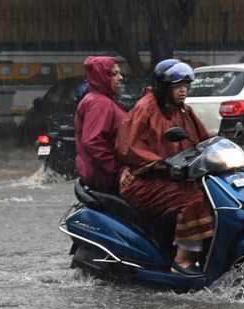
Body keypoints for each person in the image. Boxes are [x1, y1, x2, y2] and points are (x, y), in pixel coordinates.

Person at [115, 60, 212, 276]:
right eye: (178, 87)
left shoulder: (183, 111)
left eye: (186, 86)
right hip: (143, 180)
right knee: (193, 199)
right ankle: (182, 259)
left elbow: (202, 142)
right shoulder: (146, 109)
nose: (183, 91)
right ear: (164, 87)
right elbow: (128, 147)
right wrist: (163, 164)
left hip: (173, 177)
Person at [74, 56, 126, 194]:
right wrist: (117, 169)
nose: (120, 78)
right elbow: (93, 142)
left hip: (104, 175)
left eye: (119, 73)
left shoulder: (103, 100)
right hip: (106, 177)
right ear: (102, 77)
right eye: (114, 74)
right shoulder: (99, 103)